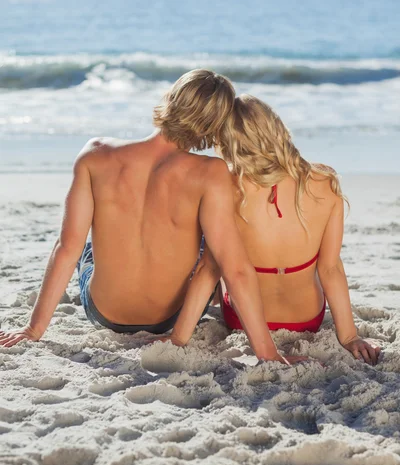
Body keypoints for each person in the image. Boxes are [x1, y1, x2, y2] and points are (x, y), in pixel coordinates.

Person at [0, 71, 300, 365]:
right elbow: (235, 270)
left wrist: (33, 329)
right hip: (167, 317)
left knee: (85, 247)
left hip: (104, 314)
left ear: (170, 99)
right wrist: (267, 353)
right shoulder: (210, 173)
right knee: (210, 247)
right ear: (214, 126)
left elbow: (66, 249)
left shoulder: (95, 153)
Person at [160, 94, 381, 366]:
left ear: (229, 143)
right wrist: (349, 337)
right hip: (307, 319)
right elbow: (330, 268)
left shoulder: (227, 189)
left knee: (215, 253)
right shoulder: (325, 183)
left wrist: (178, 339)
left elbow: (209, 270)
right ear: (277, 129)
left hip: (240, 320)